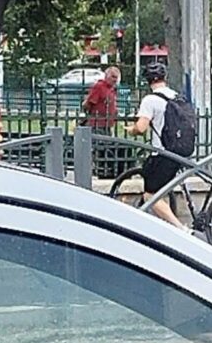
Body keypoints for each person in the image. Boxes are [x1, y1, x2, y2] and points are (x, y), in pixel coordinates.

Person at [125, 61, 189, 231]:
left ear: (148, 80)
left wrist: (131, 130)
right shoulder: (177, 96)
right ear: (164, 77)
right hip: (179, 149)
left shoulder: (150, 100)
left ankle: (180, 229)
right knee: (158, 184)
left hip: (163, 153)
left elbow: (141, 127)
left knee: (150, 196)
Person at [81, 66, 120, 135]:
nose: (115, 80)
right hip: (97, 124)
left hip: (107, 124)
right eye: (113, 77)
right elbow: (87, 104)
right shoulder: (99, 86)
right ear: (106, 76)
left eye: (116, 77)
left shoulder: (112, 89)